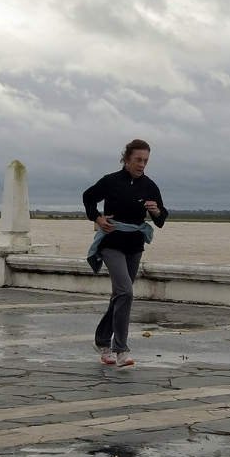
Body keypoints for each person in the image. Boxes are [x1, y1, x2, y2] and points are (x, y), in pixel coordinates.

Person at [82, 138, 168, 368]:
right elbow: (88, 197)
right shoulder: (110, 181)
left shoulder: (149, 186)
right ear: (127, 159)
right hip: (111, 243)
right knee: (126, 292)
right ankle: (121, 350)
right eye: (138, 160)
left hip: (135, 245)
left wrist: (156, 211)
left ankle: (102, 341)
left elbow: (161, 219)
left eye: (146, 161)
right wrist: (98, 218)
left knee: (120, 296)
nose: (142, 164)